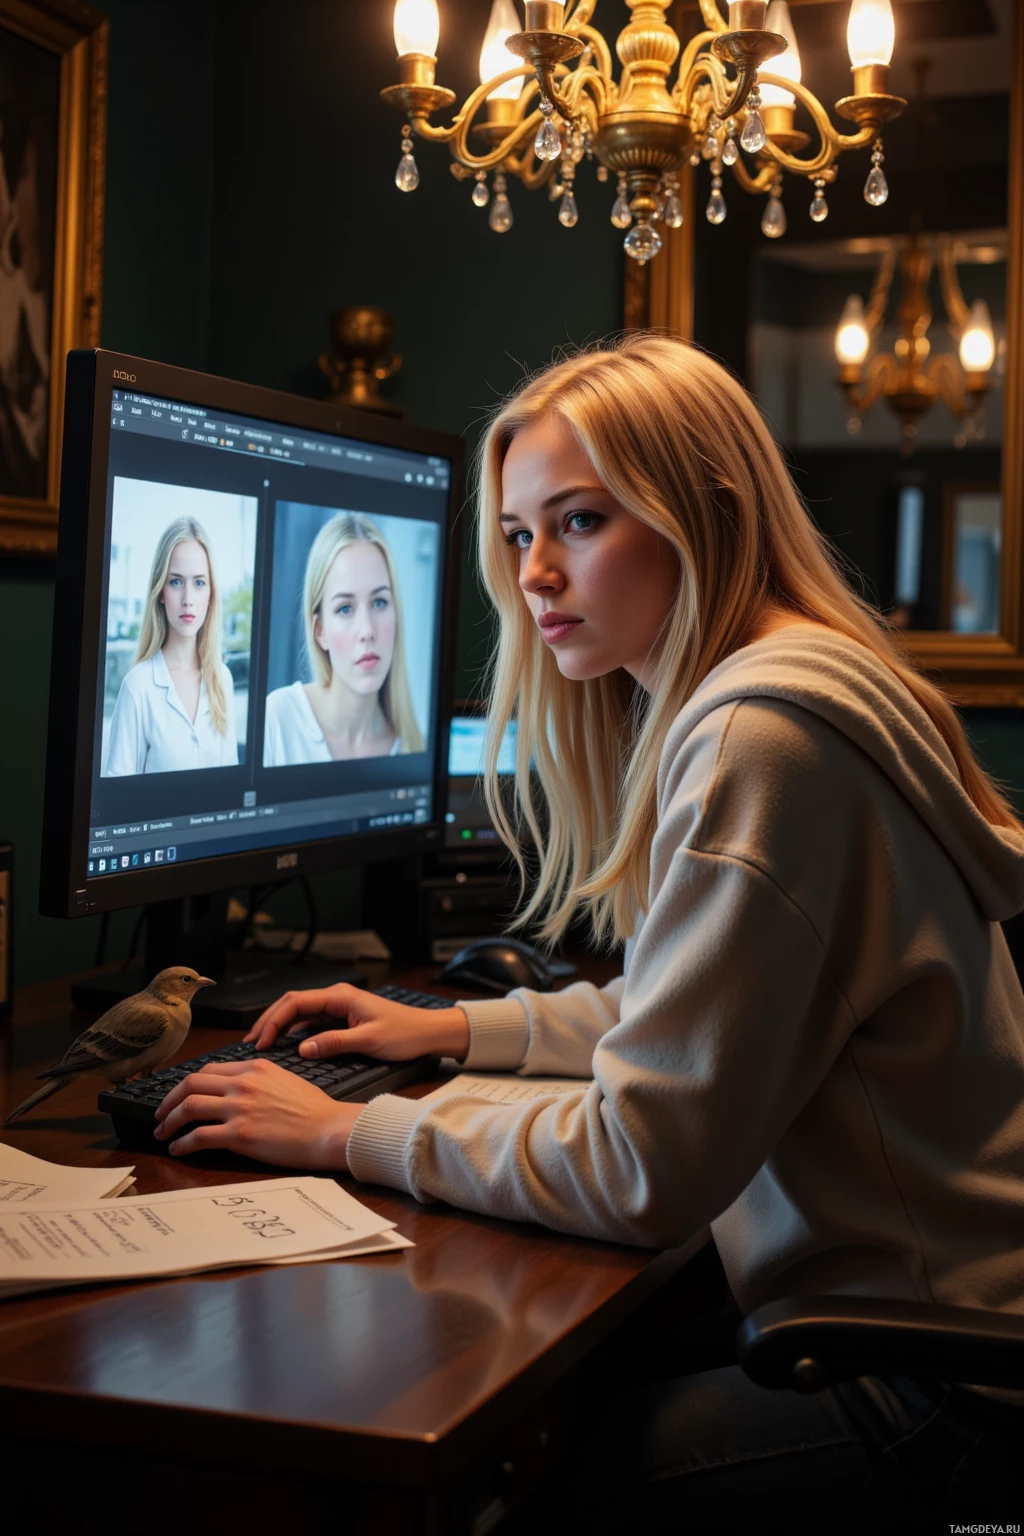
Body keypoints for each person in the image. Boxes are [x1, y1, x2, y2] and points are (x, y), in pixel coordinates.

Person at [154, 336, 1024, 1521]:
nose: (536, 576)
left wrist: (346, 1132)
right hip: (932, 1324)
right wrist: (455, 1030)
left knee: (506, 1477)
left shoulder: (761, 742)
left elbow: (642, 1167)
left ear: (704, 510)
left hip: (942, 1391)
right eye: (519, 535)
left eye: (578, 521)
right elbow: (707, 1007)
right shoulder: (799, 682)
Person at [262, 510, 424, 764]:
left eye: (379, 602)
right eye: (345, 608)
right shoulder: (277, 720)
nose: (367, 631)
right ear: (320, 631)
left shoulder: (411, 748)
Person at [104, 516, 237, 775]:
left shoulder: (223, 679)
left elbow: (231, 785)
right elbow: (118, 792)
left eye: (199, 583)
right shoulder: (137, 687)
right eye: (176, 581)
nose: (188, 599)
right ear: (161, 591)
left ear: (211, 593)